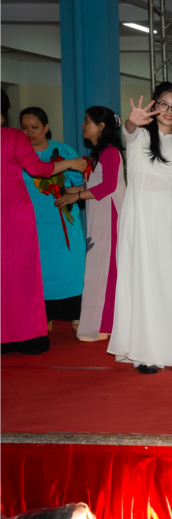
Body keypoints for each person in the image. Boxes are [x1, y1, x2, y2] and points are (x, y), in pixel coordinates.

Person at [108, 85, 172, 374]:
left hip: (169, 219)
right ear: (155, 106)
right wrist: (131, 121)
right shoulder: (140, 136)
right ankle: (144, 353)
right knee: (143, 281)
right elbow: (129, 130)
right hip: (139, 217)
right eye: (164, 104)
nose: (170, 111)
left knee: (170, 282)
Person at [0, 124, 86, 355]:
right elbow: (36, 168)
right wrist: (69, 163)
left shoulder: (59, 147)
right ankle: (25, 335)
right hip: (13, 217)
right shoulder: (12, 136)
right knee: (21, 277)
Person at [57, 107, 126, 342]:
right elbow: (91, 186)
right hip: (100, 217)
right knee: (99, 269)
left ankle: (105, 324)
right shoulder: (99, 153)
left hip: (111, 216)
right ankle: (102, 323)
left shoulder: (111, 151)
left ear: (101, 126)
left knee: (107, 269)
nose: (82, 125)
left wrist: (75, 197)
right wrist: (63, 190)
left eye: (87, 121)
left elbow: (108, 186)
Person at [20, 107, 86, 329]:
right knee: (39, 270)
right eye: (24, 128)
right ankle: (43, 316)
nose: (30, 132)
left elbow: (84, 184)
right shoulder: (18, 155)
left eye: (35, 127)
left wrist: (68, 194)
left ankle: (76, 314)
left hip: (63, 222)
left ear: (46, 127)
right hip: (31, 223)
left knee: (70, 268)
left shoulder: (64, 151)